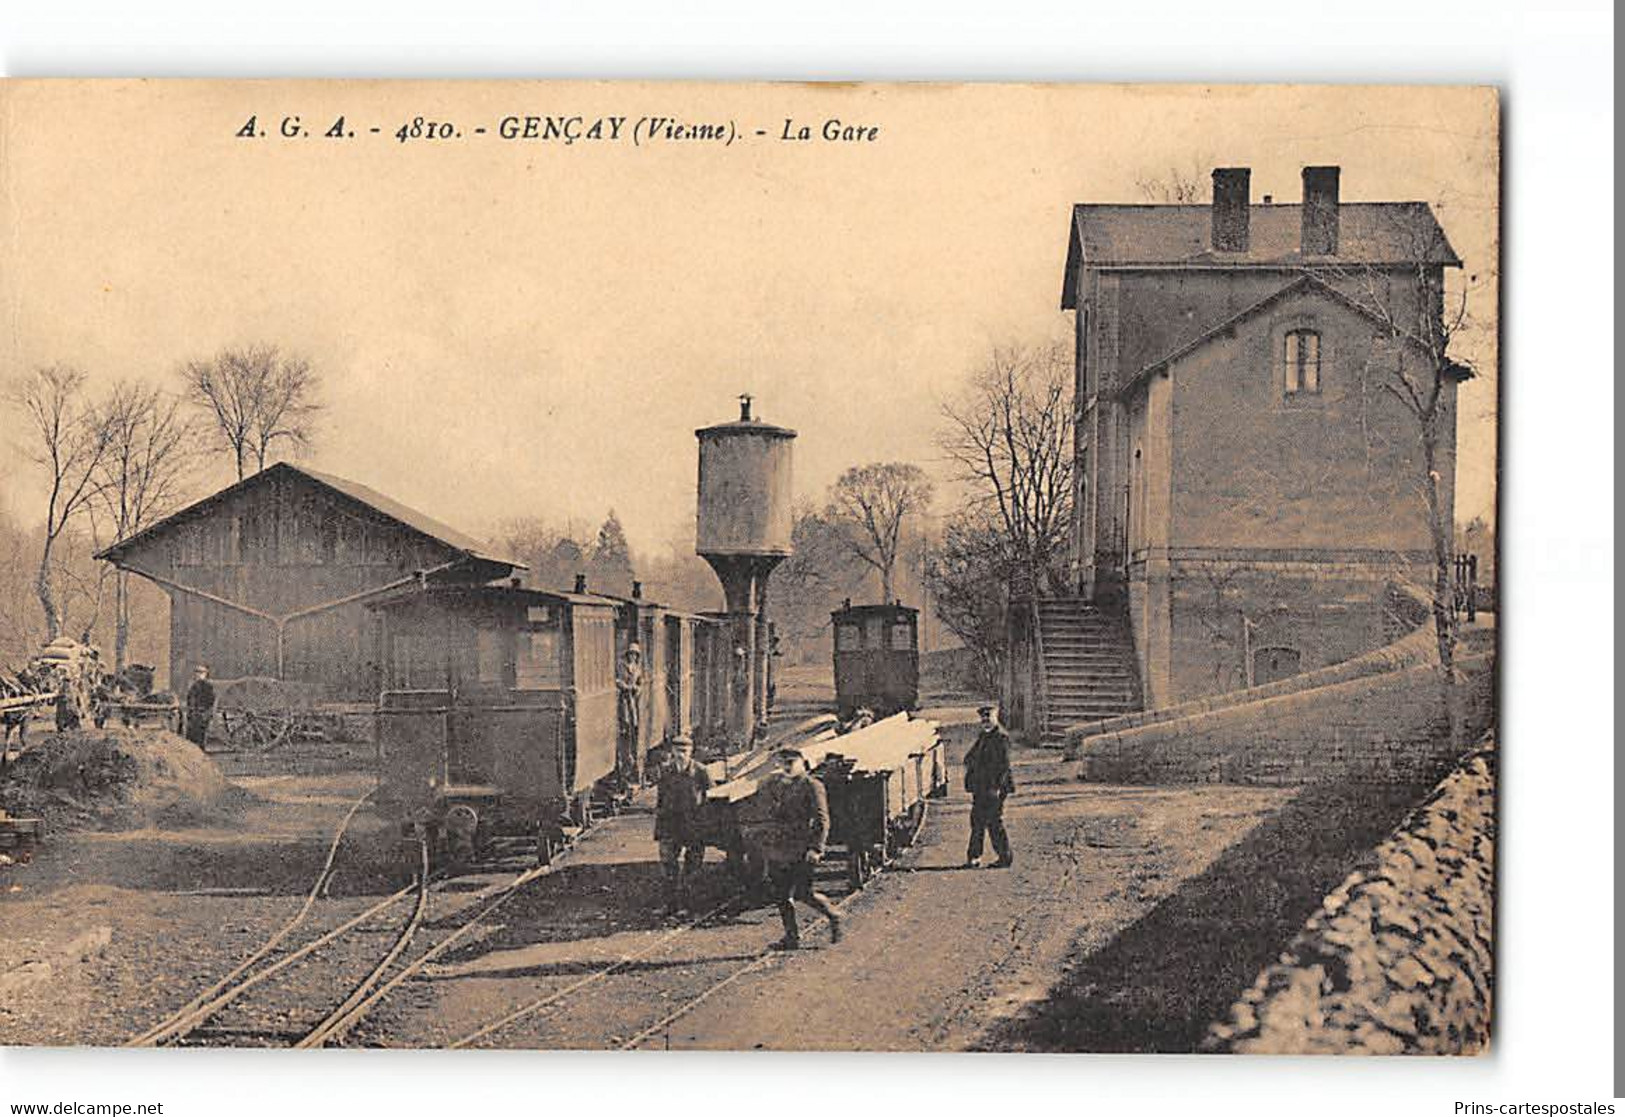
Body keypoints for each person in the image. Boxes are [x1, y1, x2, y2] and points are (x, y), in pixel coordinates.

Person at [759, 747, 841, 950]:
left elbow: (823, 820)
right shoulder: (776, 784)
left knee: (804, 893)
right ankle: (791, 937)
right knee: (780, 893)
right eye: (783, 763)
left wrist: (816, 848)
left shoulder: (812, 785)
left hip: (801, 847)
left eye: (790, 763)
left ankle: (833, 915)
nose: (786, 767)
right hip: (779, 847)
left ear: (802, 763)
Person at [654, 735, 713, 915]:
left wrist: (706, 823)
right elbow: (661, 798)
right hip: (670, 825)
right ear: (672, 752)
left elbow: (711, 796)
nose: (681, 755)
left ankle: (687, 906)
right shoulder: (665, 771)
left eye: (684, 751)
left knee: (692, 868)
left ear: (691, 752)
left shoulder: (701, 771)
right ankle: (669, 905)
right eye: (677, 751)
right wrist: (659, 825)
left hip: (693, 825)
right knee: (668, 866)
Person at [963, 704, 1015, 868]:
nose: (985, 721)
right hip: (981, 787)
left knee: (994, 822)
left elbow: (1004, 766)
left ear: (995, 719)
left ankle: (1005, 857)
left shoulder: (1001, 738)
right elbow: (970, 757)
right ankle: (974, 857)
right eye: (983, 718)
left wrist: (998, 788)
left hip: (994, 788)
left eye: (989, 718)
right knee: (977, 821)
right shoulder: (983, 736)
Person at [615, 644, 645, 787]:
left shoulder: (637, 668)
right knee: (624, 717)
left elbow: (640, 683)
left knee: (633, 719)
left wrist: (637, 689)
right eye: (631, 654)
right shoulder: (621, 666)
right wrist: (625, 687)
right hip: (622, 697)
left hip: (632, 699)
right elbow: (616, 680)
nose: (632, 656)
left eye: (635, 654)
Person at [183, 664, 216, 747]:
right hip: (193, 713)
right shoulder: (193, 685)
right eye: (196, 672)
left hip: (202, 713)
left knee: (201, 733)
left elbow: (210, 700)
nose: (198, 674)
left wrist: (205, 712)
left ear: (205, 674)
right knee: (191, 734)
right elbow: (190, 699)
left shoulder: (207, 686)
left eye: (201, 672)